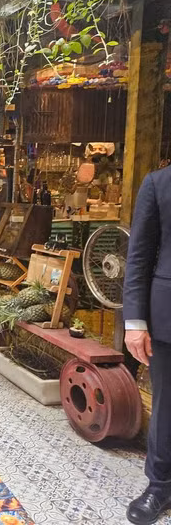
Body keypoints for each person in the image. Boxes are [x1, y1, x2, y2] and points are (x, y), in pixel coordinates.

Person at [123, 166, 171, 525]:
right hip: (167, 317)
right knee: (168, 406)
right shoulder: (158, 183)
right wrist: (135, 322)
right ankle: (160, 485)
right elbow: (139, 257)